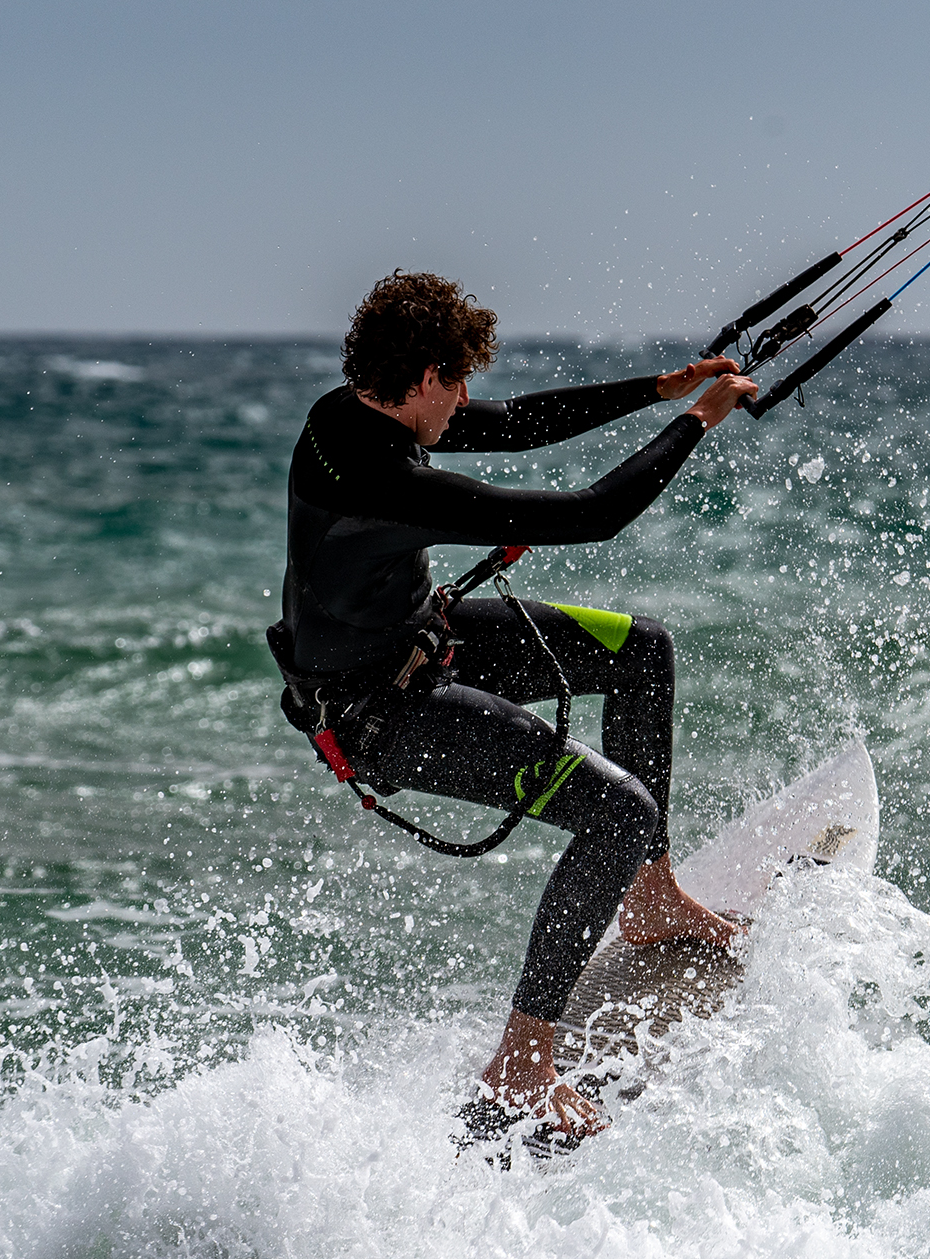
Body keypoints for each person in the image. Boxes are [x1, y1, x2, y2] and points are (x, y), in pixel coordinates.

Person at [271, 270, 758, 1143]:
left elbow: (517, 424)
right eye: (455, 382)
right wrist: (696, 423)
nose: (466, 400)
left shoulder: (343, 414)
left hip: (420, 642)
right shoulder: (384, 479)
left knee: (639, 648)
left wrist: (658, 388)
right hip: (382, 716)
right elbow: (596, 513)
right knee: (619, 809)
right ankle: (522, 1061)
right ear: (422, 380)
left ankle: (650, 894)